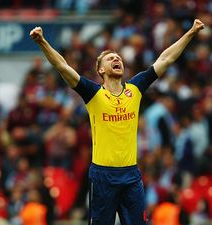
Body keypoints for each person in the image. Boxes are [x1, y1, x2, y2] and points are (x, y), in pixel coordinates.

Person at [30, 19, 205, 225]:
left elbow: (165, 59)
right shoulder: (93, 93)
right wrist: (42, 42)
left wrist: (191, 32)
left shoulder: (136, 88)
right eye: (110, 58)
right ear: (101, 70)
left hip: (131, 175)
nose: (117, 59)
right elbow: (62, 66)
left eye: (119, 57)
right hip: (103, 176)